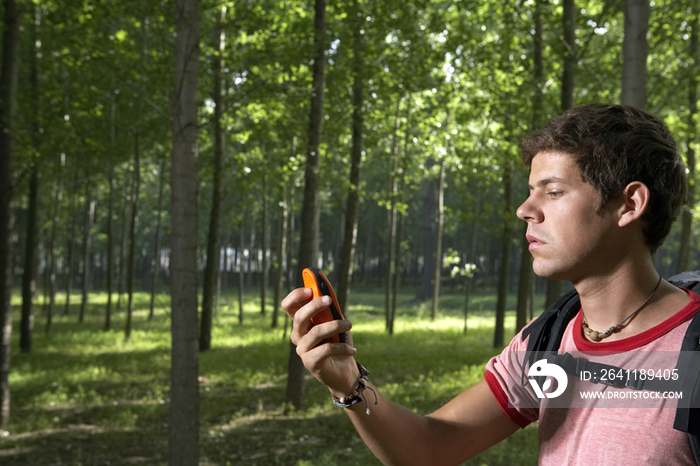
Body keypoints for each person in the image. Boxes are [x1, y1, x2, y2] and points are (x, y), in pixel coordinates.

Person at [281, 103, 699, 465]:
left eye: (552, 192)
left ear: (629, 204)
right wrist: (350, 384)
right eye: (530, 191)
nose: (524, 210)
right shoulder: (548, 340)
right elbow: (431, 448)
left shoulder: (691, 353)